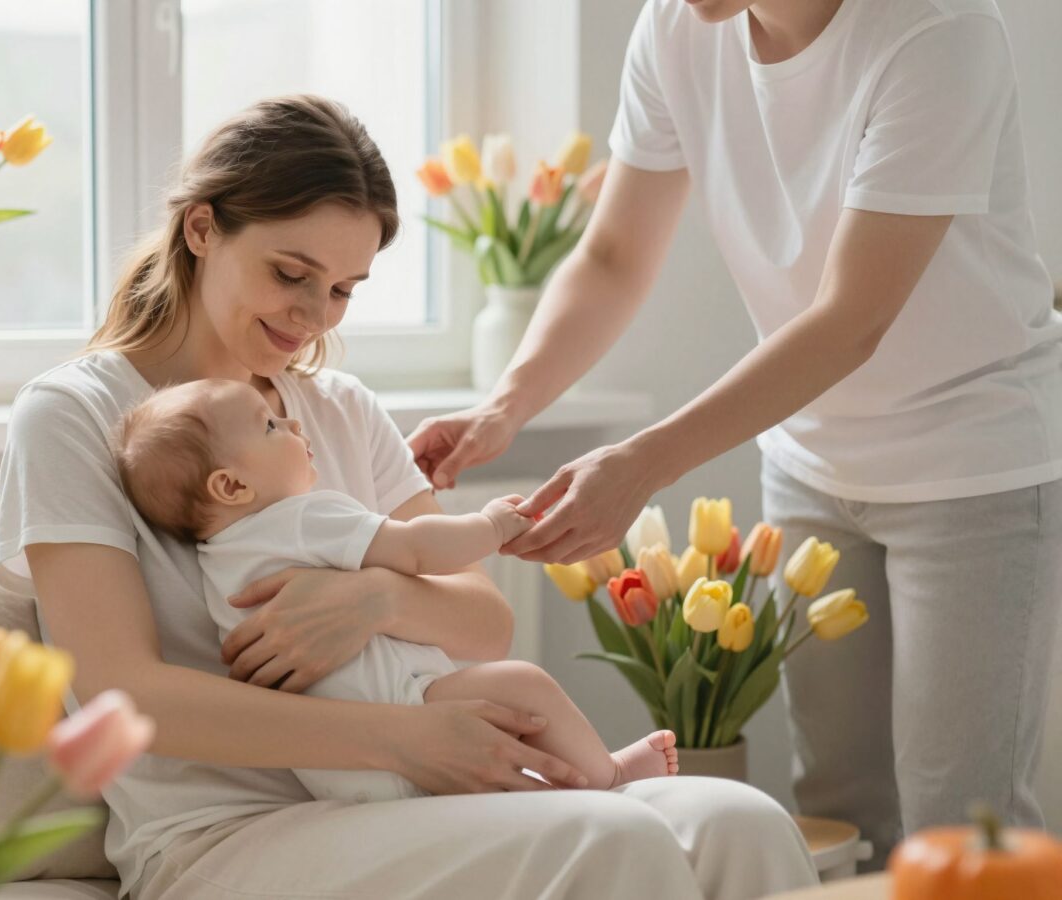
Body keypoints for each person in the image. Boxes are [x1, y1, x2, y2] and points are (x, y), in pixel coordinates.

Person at [0, 94, 817, 900]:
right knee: (616, 838)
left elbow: (485, 620)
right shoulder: (74, 415)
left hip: (406, 802)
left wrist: (374, 599)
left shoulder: (340, 409)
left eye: (344, 289)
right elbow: (121, 695)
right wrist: (405, 739)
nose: (314, 316)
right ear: (202, 228)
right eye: (291, 273)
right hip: (223, 833)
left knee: (740, 820)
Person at [408, 0, 1062, 872]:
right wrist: (505, 406)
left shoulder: (938, 31)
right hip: (810, 460)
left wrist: (642, 462)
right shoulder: (680, 27)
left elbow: (850, 320)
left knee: (963, 828)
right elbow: (612, 258)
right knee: (838, 809)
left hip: (972, 466)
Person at [111, 377, 681, 805]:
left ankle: (557, 786)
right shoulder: (301, 520)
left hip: (338, 773)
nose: (295, 427)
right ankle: (609, 777)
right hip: (405, 720)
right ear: (232, 484)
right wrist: (491, 525)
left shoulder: (220, 562)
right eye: (270, 427)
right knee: (522, 684)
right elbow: (413, 548)